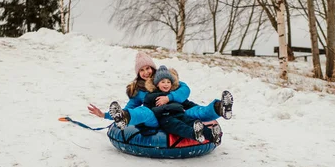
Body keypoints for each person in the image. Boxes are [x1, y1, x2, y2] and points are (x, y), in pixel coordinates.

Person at [87, 51, 233, 130]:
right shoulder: (138, 90)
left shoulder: (164, 79)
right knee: (144, 112)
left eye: (147, 68)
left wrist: (169, 97)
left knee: (196, 112)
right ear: (138, 73)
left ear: (153, 68)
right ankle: (124, 119)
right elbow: (130, 107)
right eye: (142, 70)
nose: (145, 72)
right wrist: (105, 115)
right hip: (156, 118)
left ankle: (220, 108)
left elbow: (185, 89)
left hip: (176, 111)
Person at [144, 65, 222, 143]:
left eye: (168, 82)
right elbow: (147, 110)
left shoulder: (173, 95)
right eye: (163, 82)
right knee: (179, 126)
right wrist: (163, 109)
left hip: (179, 114)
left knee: (191, 122)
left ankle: (212, 136)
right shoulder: (151, 96)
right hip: (165, 118)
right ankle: (195, 134)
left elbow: (187, 103)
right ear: (157, 84)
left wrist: (200, 109)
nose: (166, 84)